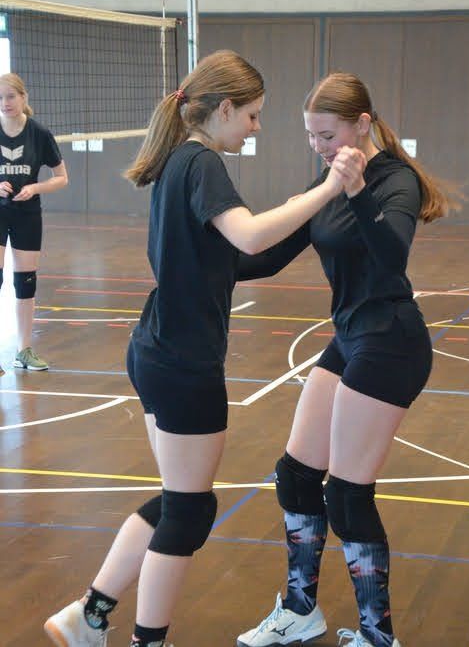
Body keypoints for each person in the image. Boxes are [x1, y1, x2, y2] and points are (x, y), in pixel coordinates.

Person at [43, 50, 344, 647]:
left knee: (183, 502)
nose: (256, 127)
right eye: (252, 115)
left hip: (155, 351)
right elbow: (250, 234)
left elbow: (245, 261)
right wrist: (332, 186)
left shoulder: (180, 160)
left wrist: (318, 200)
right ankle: (144, 638)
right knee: (187, 510)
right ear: (224, 109)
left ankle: (89, 616)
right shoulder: (201, 160)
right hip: (183, 364)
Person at [235, 72, 448, 647]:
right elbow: (270, 254)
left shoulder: (395, 180)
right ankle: (300, 609)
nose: (319, 147)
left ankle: (379, 636)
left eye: (327, 135)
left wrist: (355, 190)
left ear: (362, 124)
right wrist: (198, 257)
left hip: (391, 341)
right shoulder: (329, 179)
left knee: (348, 495)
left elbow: (391, 255)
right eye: (311, 136)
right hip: (350, 336)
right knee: (296, 475)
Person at [0, 73, 68, 374]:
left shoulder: (39, 133)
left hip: (27, 215)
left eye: (10, 96)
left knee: (25, 282)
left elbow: (62, 177)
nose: (5, 103)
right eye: (0, 98)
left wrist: (35, 188)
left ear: (23, 97)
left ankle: (24, 351)